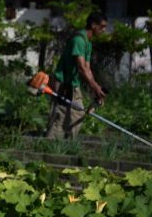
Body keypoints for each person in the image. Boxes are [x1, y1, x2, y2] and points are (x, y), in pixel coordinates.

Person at [46, 11, 108, 139]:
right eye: (102, 27)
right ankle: (51, 144)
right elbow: (81, 68)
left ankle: (66, 143)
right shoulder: (78, 40)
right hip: (63, 83)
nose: (104, 30)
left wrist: (96, 88)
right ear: (93, 25)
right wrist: (95, 88)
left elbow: (87, 68)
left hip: (72, 84)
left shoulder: (88, 42)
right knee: (62, 115)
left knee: (77, 114)